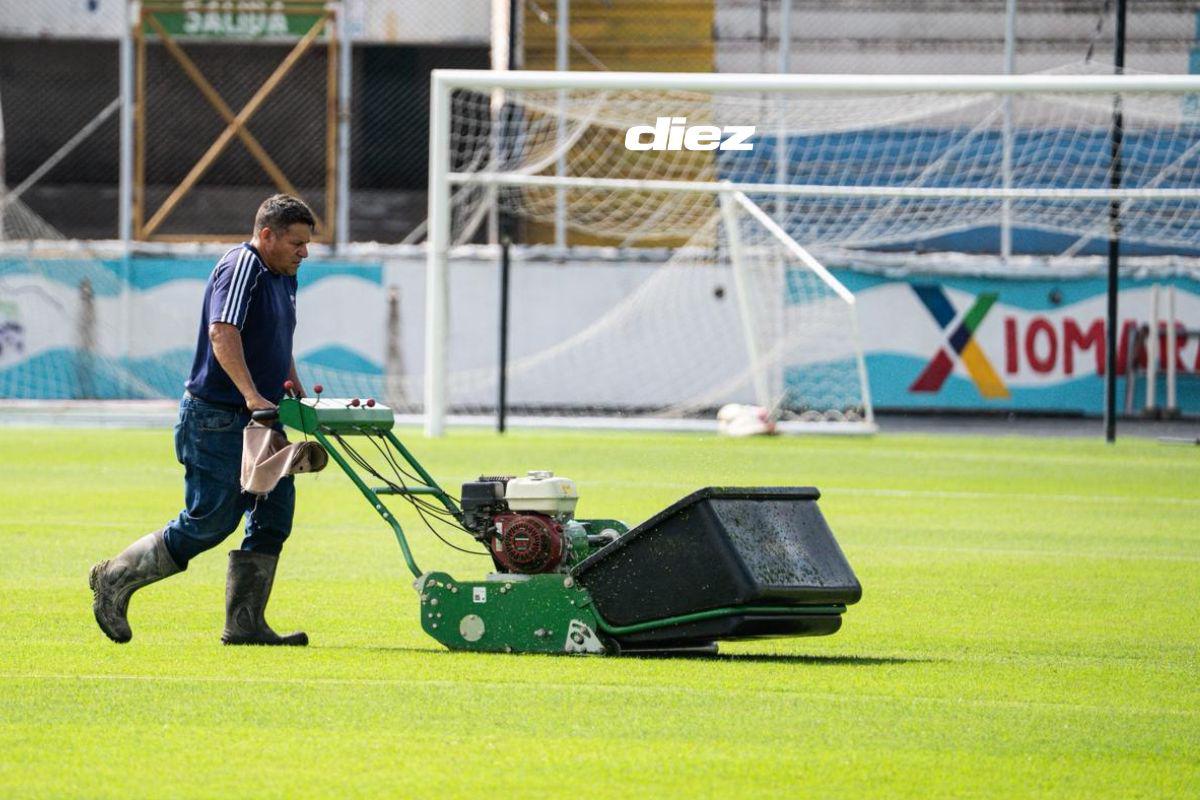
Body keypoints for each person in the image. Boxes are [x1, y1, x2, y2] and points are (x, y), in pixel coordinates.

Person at [90, 194, 315, 646]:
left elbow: (276, 337)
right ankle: (115, 576)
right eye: (296, 243)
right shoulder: (242, 266)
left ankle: (245, 623)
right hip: (217, 416)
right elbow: (222, 331)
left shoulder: (283, 274)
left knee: (275, 513)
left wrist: (292, 384)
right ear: (266, 235)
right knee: (211, 520)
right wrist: (252, 394)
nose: (304, 252)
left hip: (261, 420)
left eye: (306, 244)